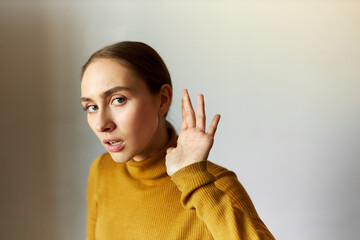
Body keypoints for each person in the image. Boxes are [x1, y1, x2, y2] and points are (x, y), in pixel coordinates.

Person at [80, 41, 275, 240]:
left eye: (118, 99)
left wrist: (194, 180)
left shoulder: (215, 186)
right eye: (91, 107)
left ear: (162, 99)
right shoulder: (101, 171)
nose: (101, 124)